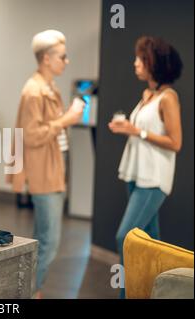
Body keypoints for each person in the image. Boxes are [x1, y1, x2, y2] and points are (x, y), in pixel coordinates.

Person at [6, 30, 83, 298]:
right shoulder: (35, 92)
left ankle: (31, 289)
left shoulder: (49, 87)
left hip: (53, 168)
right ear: (47, 59)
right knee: (50, 240)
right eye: (63, 56)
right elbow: (33, 135)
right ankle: (30, 291)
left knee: (42, 237)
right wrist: (67, 119)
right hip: (44, 171)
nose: (67, 61)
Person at [108, 36, 183, 297]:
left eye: (140, 59)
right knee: (151, 243)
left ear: (153, 63)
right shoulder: (148, 95)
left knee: (125, 238)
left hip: (153, 179)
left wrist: (136, 130)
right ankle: (156, 292)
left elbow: (175, 142)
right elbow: (142, 131)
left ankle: (128, 294)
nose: (135, 63)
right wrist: (126, 129)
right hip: (137, 174)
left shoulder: (168, 98)